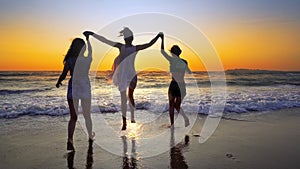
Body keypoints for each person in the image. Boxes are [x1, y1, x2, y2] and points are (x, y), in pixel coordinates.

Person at [84, 28, 162, 130]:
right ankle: (124, 122)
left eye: (128, 37)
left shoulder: (134, 48)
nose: (126, 39)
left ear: (131, 38)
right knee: (124, 98)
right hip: (122, 76)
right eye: (126, 37)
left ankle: (132, 117)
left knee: (130, 96)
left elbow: (149, 44)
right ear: (125, 38)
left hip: (132, 74)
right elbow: (105, 40)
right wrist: (92, 34)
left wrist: (158, 36)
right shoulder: (121, 47)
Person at [56, 34, 94, 151]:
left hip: (73, 87)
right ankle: (90, 136)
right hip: (84, 86)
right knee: (87, 115)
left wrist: (59, 81)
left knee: (73, 117)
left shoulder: (69, 60)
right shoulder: (86, 59)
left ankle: (70, 139)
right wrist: (88, 40)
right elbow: (91, 51)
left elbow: (64, 74)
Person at [160, 33, 191, 127]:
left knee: (171, 105)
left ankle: (172, 124)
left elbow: (162, 51)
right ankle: (185, 118)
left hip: (173, 85)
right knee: (177, 106)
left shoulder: (172, 60)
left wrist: (162, 39)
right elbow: (189, 72)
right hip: (181, 86)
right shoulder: (184, 61)